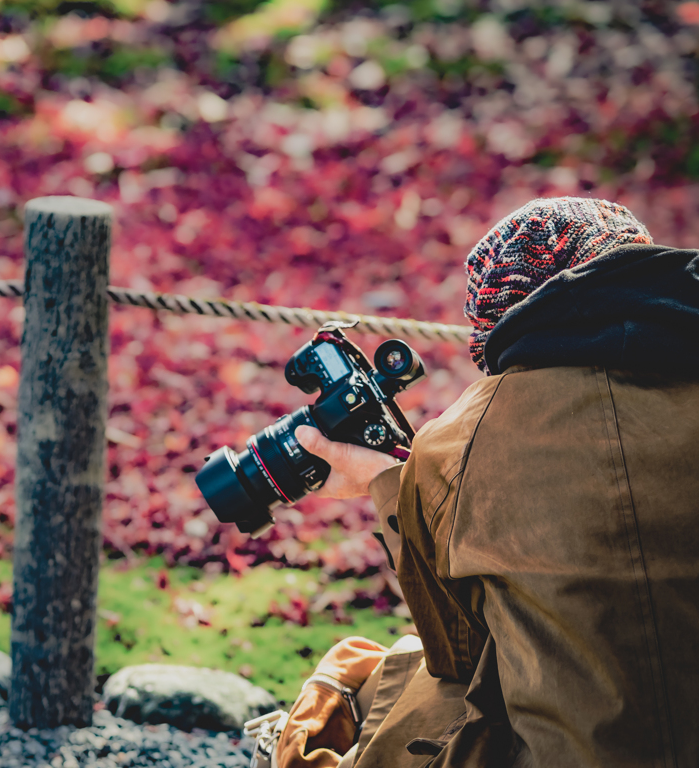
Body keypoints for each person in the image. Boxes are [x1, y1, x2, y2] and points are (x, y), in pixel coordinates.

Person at [292, 197, 699, 768]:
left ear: (498, 324)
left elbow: (458, 655)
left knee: (402, 685)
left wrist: (390, 486)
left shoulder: (462, 439)